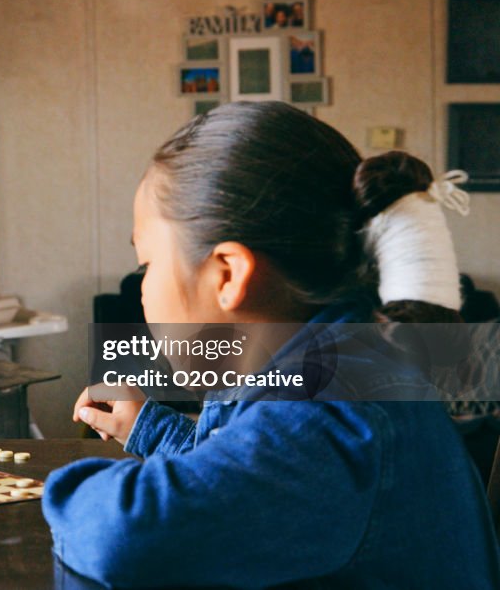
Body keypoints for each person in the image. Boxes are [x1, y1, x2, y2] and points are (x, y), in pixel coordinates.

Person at [43, 102, 499, 587]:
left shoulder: (332, 410)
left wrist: (60, 490)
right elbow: (242, 476)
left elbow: (127, 537)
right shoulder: (324, 369)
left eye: (146, 266)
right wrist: (149, 429)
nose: (142, 287)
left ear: (229, 274)